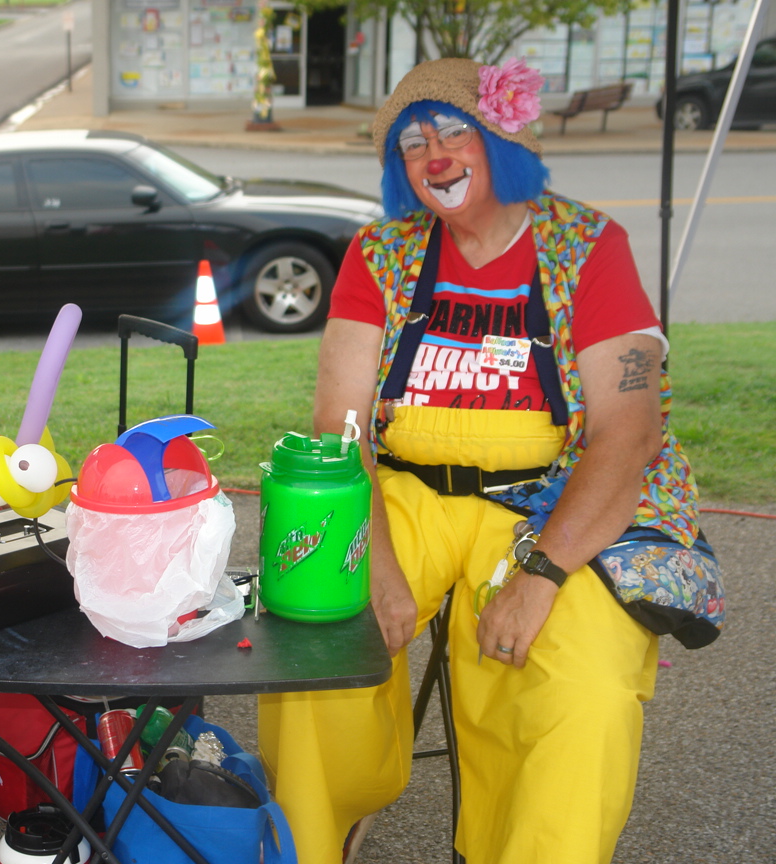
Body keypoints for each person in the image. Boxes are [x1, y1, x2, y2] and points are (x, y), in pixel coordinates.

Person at [258, 58, 702, 864]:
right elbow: (340, 425)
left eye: (456, 131)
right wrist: (378, 564)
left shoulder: (587, 247)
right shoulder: (381, 255)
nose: (437, 157)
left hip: (550, 505)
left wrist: (543, 576)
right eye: (414, 142)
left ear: (504, 137)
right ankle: (321, 834)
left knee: (588, 690)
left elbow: (627, 436)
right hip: (402, 495)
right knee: (316, 639)